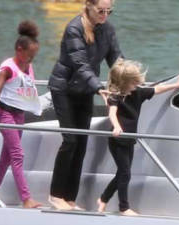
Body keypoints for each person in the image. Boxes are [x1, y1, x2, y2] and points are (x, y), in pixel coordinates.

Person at [47, 0, 122, 210]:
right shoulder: (74, 28)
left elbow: (116, 58)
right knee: (70, 140)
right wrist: (99, 88)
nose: (105, 15)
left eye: (109, 11)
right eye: (101, 11)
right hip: (65, 89)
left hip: (85, 90)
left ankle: (70, 199)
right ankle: (55, 195)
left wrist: (130, 79)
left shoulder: (107, 28)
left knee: (81, 143)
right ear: (89, 6)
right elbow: (80, 64)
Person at [96, 59, 179, 216]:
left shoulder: (137, 92)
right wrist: (117, 126)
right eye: (133, 83)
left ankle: (103, 199)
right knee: (125, 173)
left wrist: (177, 85)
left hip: (130, 138)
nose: (136, 85)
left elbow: (157, 89)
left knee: (123, 172)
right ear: (124, 83)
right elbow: (112, 113)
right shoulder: (115, 97)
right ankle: (123, 207)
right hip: (117, 139)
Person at [0, 20, 42, 208]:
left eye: (34, 57)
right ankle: (26, 199)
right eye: (29, 56)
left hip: (19, 114)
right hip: (4, 113)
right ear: (19, 50)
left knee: (6, 157)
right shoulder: (8, 68)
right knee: (17, 154)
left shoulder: (28, 65)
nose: (31, 60)